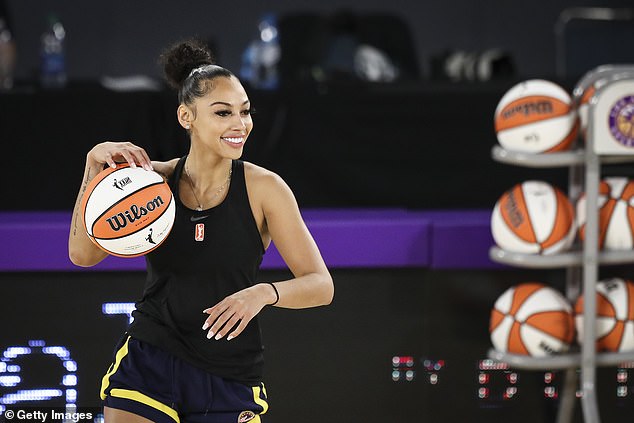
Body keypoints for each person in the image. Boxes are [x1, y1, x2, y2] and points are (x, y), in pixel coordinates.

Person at [68, 38, 334, 423]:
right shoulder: (148, 182)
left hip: (229, 373)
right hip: (151, 358)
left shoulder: (265, 189)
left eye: (245, 112)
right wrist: (91, 172)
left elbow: (321, 285)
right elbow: (82, 255)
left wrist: (263, 293)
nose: (240, 124)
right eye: (223, 113)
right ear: (186, 117)